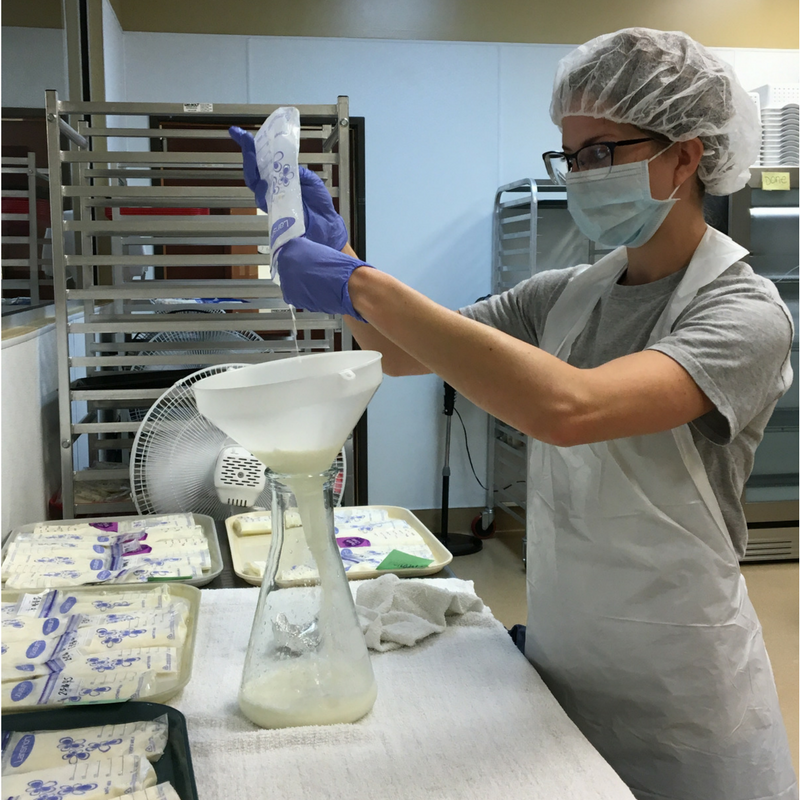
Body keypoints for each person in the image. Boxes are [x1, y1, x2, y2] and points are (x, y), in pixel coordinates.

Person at [230, 28, 797, 800]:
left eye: (601, 152)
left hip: (685, 698)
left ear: (686, 156)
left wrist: (359, 285)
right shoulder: (564, 293)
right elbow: (400, 353)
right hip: (564, 661)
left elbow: (570, 408)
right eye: (570, 156)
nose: (580, 176)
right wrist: (342, 258)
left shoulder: (744, 315)